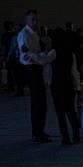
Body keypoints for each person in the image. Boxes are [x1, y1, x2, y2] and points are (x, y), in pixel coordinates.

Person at [18, 9, 55, 143]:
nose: (35, 22)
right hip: (31, 69)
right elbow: (27, 56)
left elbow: (34, 53)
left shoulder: (33, 34)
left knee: (41, 101)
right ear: (27, 20)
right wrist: (43, 58)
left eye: (37, 19)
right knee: (37, 102)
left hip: (36, 68)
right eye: (32, 19)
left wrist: (40, 57)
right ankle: (37, 132)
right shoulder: (25, 34)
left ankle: (39, 130)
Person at [49, 28, 81, 145]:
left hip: (57, 85)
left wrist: (29, 55)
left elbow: (44, 63)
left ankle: (65, 137)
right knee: (71, 111)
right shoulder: (70, 53)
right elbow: (74, 72)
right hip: (68, 85)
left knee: (60, 113)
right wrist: (78, 88)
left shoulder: (53, 53)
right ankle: (76, 134)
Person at [7, 24, 25, 96]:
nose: (16, 30)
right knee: (16, 74)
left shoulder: (23, 37)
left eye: (17, 28)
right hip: (15, 57)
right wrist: (9, 55)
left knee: (19, 74)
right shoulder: (14, 38)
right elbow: (11, 48)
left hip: (20, 57)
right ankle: (19, 89)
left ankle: (20, 90)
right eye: (15, 28)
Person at [1, 21, 15, 91]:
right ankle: (15, 85)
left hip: (8, 55)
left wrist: (3, 55)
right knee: (15, 71)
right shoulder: (15, 34)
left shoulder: (5, 35)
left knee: (9, 71)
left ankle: (11, 86)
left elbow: (3, 46)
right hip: (15, 54)